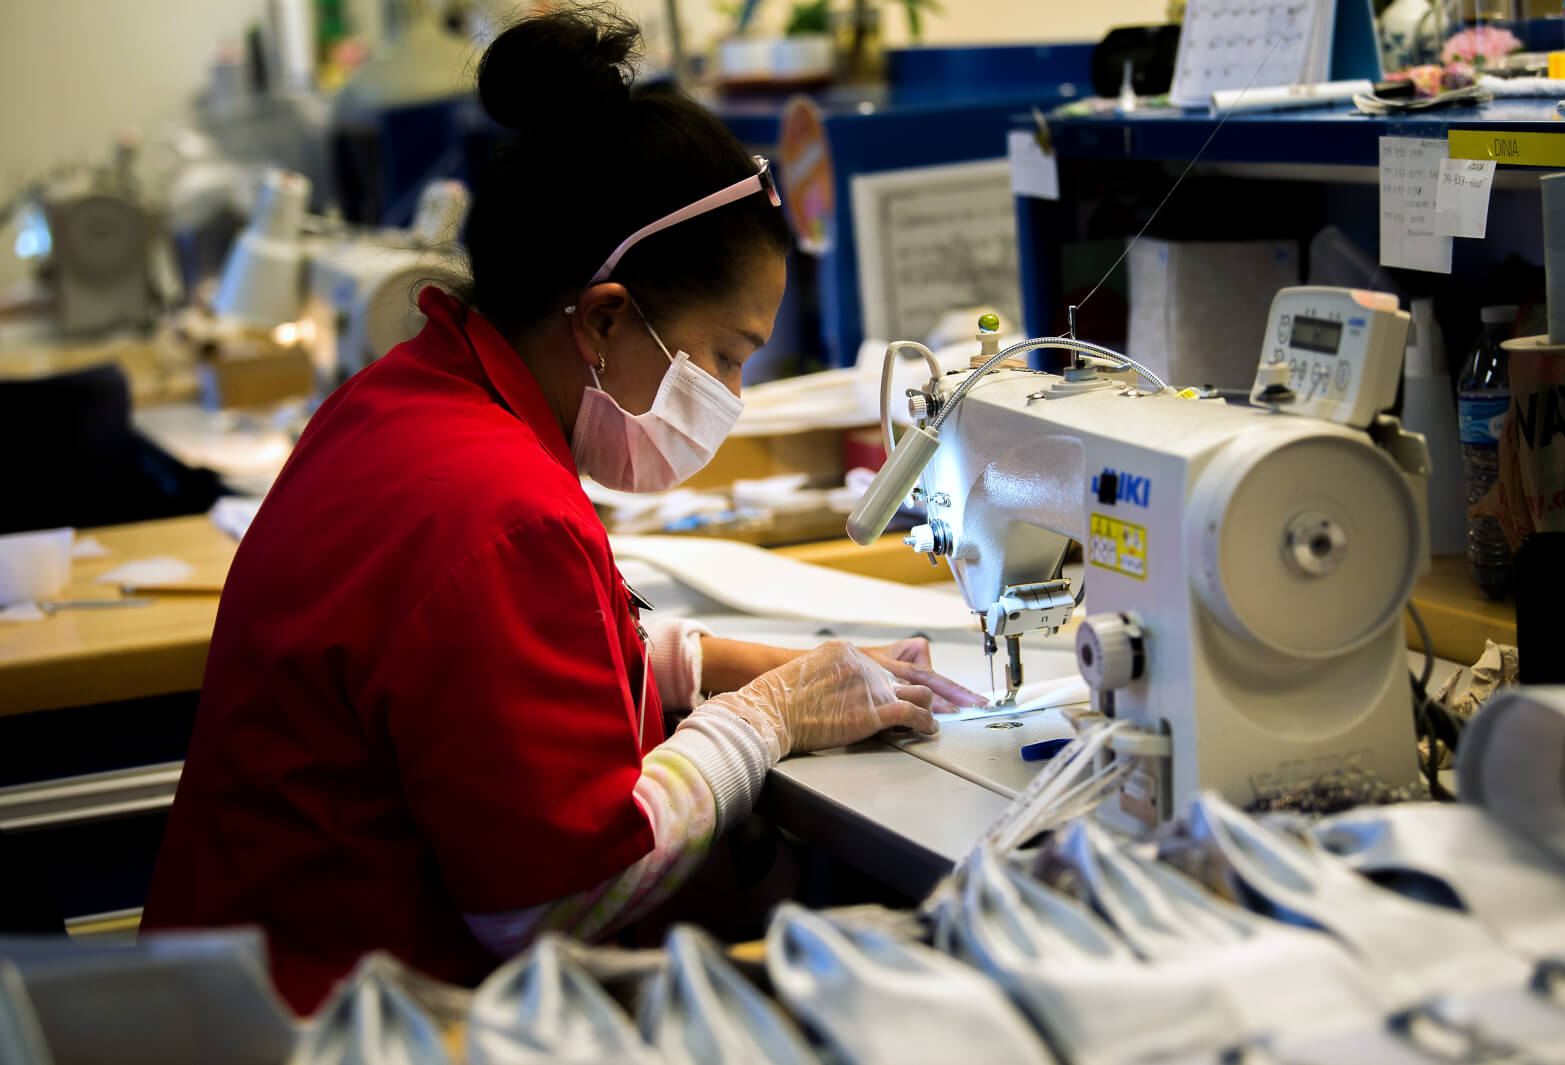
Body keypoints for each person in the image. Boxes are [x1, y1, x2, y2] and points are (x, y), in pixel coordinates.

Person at [142, 6, 979, 1014]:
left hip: (235, 995)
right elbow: (552, 899)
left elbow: (469, 669)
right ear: (606, 317)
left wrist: (705, 664)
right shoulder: (502, 512)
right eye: (724, 355)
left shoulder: (411, 399)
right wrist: (769, 721)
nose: (730, 393)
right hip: (337, 1026)